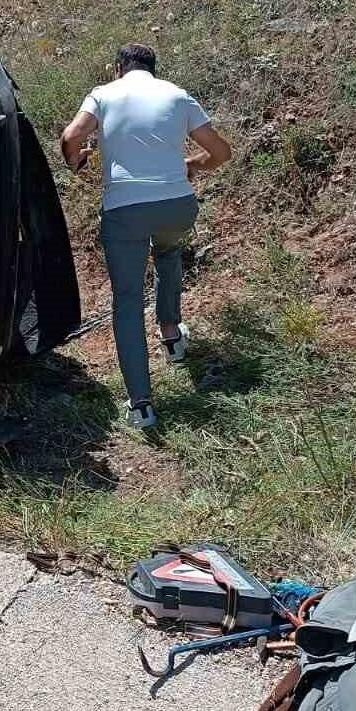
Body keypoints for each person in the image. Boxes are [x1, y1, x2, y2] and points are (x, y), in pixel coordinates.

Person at [59, 43, 231, 430]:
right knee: (168, 253)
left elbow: (72, 136)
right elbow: (221, 152)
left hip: (126, 211)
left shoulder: (103, 95)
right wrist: (192, 164)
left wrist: (76, 162)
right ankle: (172, 336)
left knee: (128, 300)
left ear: (118, 68)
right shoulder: (177, 95)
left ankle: (141, 406)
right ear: (153, 68)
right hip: (177, 207)